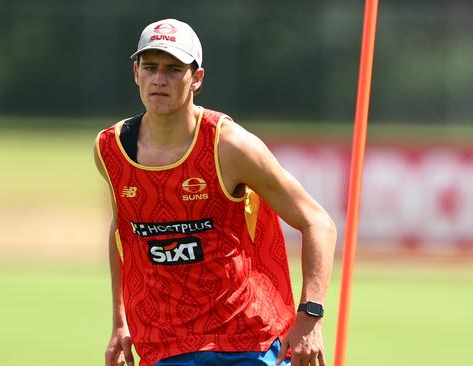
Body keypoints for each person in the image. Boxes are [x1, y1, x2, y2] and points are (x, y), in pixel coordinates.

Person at [95, 18, 336, 366]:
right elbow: (124, 234)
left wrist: (310, 318)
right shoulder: (111, 149)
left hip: (248, 340)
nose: (160, 79)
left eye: (174, 69)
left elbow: (318, 222)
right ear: (136, 72)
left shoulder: (230, 146)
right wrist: (120, 321)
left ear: (197, 79)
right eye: (151, 67)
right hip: (167, 345)